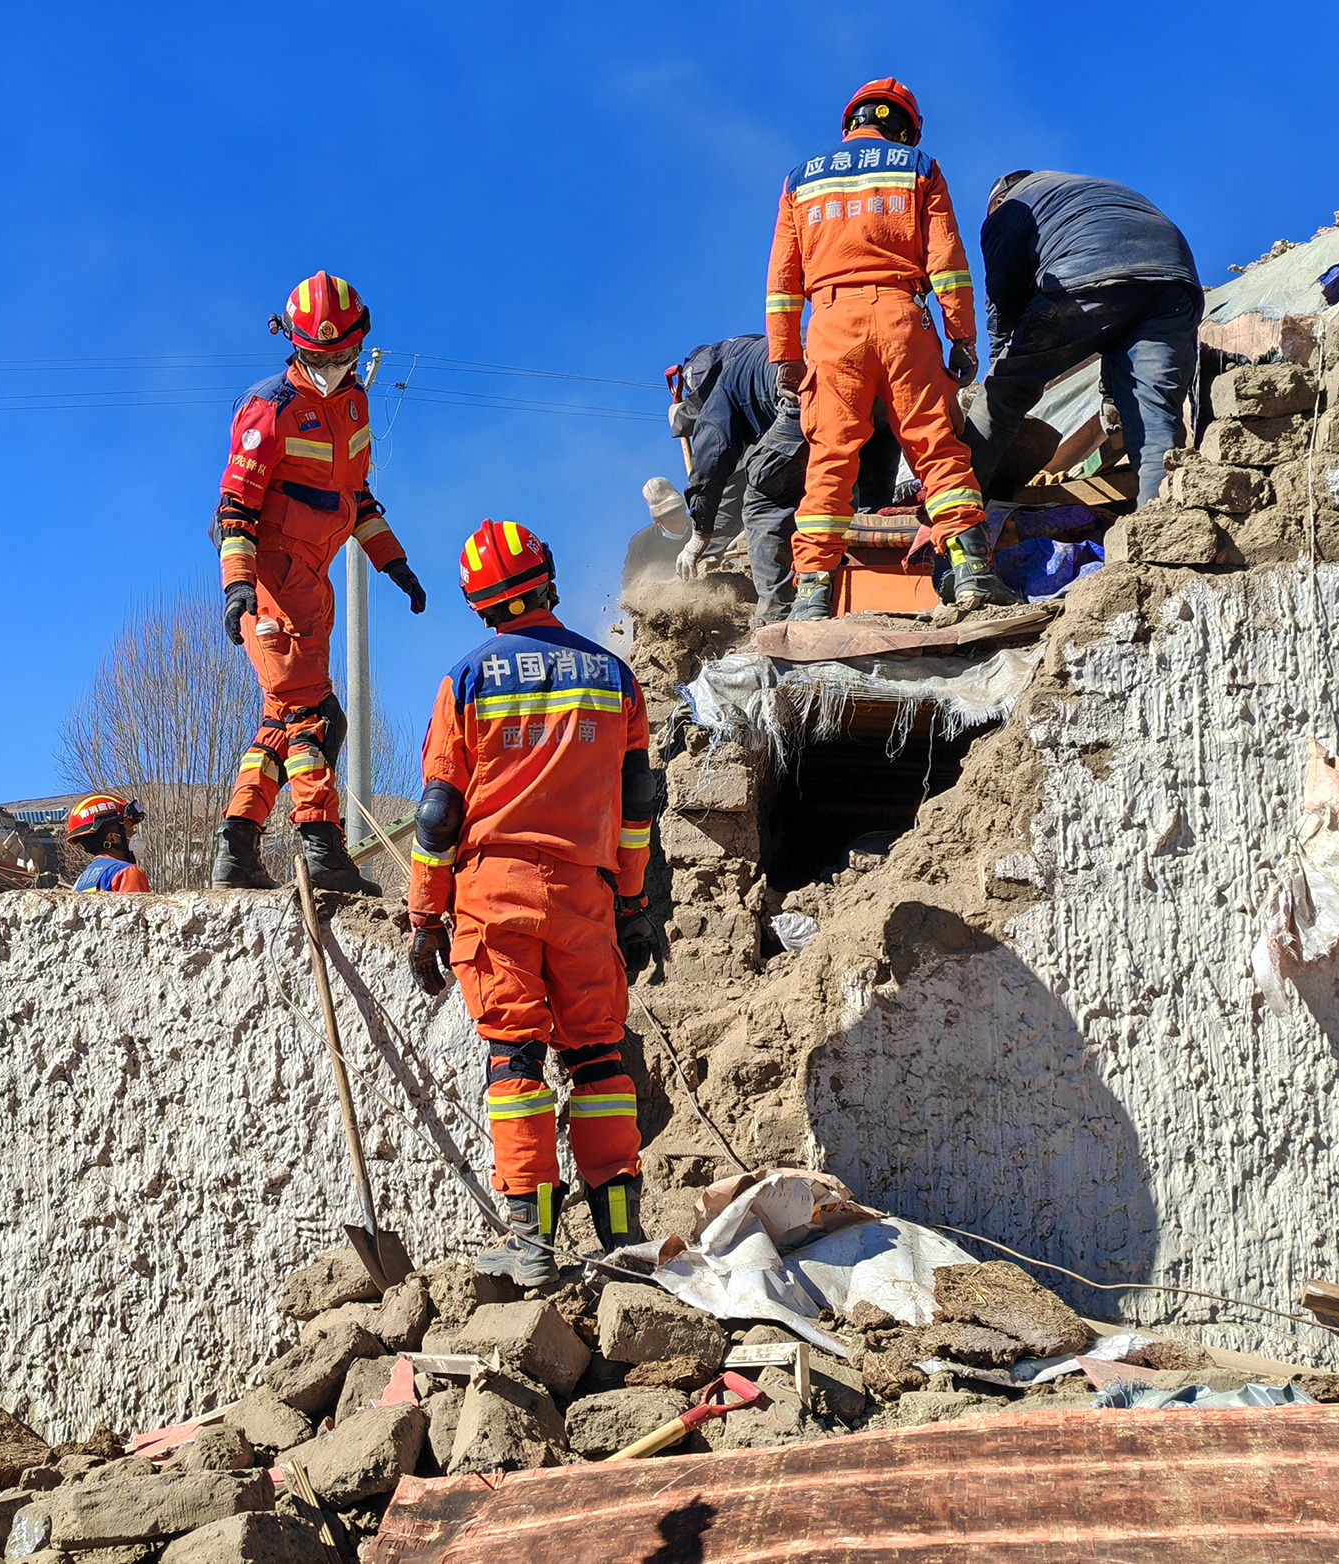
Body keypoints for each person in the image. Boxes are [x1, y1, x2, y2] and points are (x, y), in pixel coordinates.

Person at [406, 520, 660, 1286]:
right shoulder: (614, 676)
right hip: (585, 894)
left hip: (494, 895)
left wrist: (423, 916)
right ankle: (621, 1237)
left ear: (478, 605)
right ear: (547, 577)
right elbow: (636, 804)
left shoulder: (466, 679)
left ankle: (531, 1243)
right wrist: (632, 899)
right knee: (597, 1056)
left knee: (514, 1059)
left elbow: (437, 816)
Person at [210, 271, 428, 895]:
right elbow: (235, 508)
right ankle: (322, 846)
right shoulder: (269, 408)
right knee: (315, 716)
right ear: (293, 345)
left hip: (313, 579)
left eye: (342, 356)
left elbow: (356, 499)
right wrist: (238, 586)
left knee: (280, 722)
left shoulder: (355, 403)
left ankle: (237, 847)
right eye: (318, 358)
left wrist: (393, 562)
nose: (331, 369)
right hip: (273, 575)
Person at [766, 78, 1011, 619]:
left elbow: (783, 281)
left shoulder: (799, 181)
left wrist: (785, 356)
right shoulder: (919, 167)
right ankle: (972, 571)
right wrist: (962, 338)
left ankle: (811, 596)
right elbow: (947, 262)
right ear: (903, 129)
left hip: (831, 327)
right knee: (936, 447)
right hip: (903, 320)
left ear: (852, 122)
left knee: (830, 460)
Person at [965, 171, 1203, 507]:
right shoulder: (1084, 191)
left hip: (1088, 273)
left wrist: (1001, 364)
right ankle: (1163, 522)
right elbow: (1118, 327)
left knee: (1004, 392)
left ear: (998, 202)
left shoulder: (1011, 207)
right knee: (1155, 418)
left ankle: (956, 503)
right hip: (1174, 282)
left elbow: (1004, 296)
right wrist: (1111, 393)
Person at [667, 335, 902, 625]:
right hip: (878, 396)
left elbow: (711, 460)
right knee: (866, 511)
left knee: (765, 501)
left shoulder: (725, 384)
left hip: (813, 398)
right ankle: (875, 593)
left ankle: (778, 618)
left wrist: (700, 534)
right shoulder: (758, 352)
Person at [65, 791, 150, 892]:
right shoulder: (126, 873)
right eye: (130, 829)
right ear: (112, 838)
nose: (134, 834)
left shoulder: (80, 881)